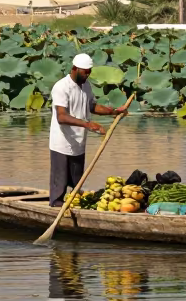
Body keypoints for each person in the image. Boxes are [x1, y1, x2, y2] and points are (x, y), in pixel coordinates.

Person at [49, 53, 129, 206]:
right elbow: (61, 117)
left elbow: (92, 106)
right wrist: (87, 124)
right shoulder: (61, 87)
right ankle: (55, 208)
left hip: (79, 142)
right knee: (59, 184)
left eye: (89, 71)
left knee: (77, 183)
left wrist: (113, 112)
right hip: (62, 142)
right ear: (74, 69)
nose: (88, 75)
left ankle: (75, 207)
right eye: (85, 72)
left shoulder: (86, 86)